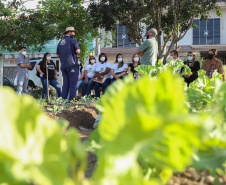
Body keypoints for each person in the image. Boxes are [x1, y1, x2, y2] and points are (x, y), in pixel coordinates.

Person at [56, 26, 80, 100]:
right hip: (72, 66)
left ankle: (63, 99)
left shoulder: (60, 42)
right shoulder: (72, 41)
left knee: (65, 84)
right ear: (69, 32)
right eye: (73, 32)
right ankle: (72, 101)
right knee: (73, 84)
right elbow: (78, 51)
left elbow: (57, 56)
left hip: (63, 66)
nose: (74, 34)